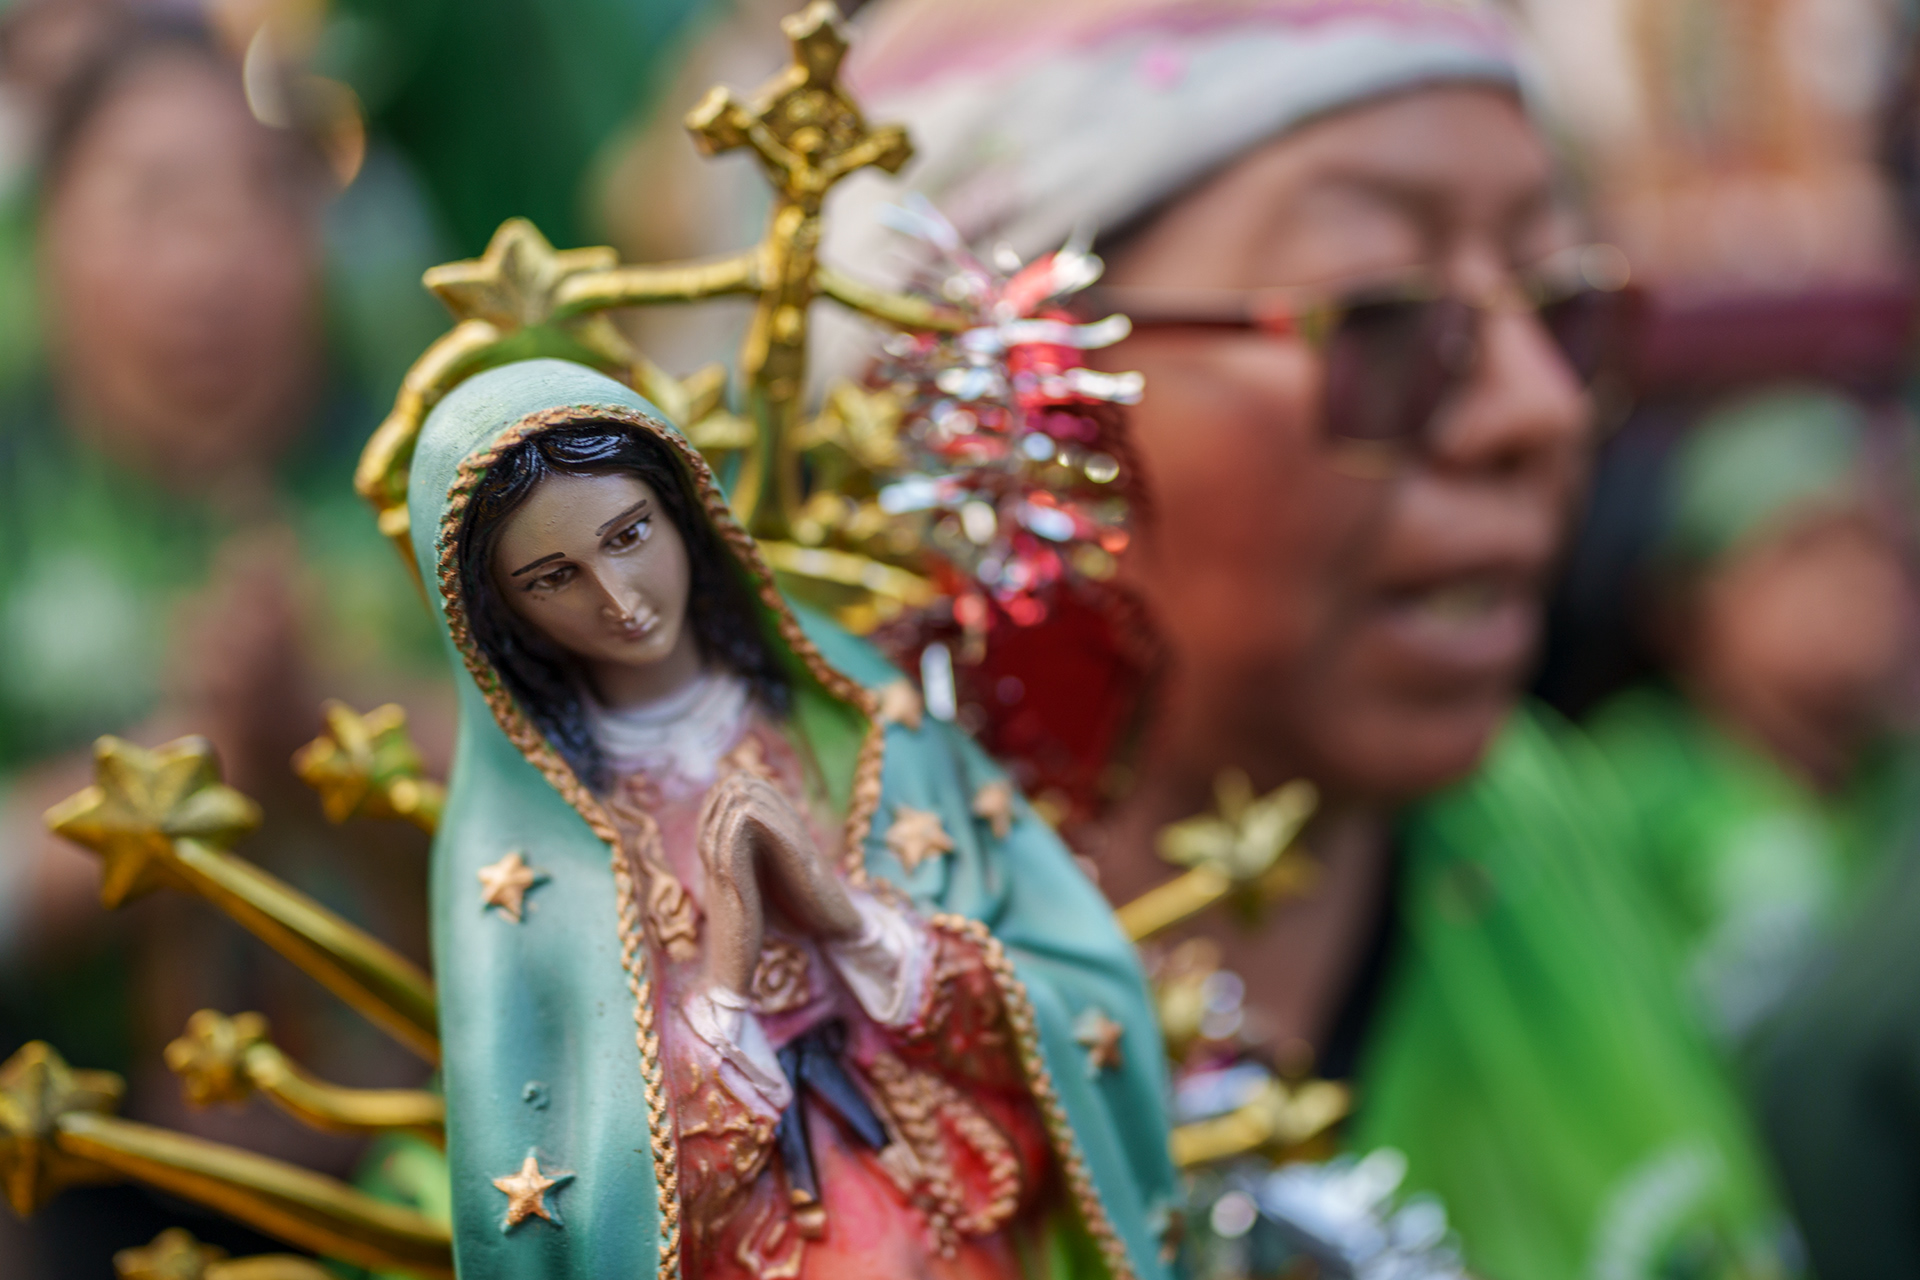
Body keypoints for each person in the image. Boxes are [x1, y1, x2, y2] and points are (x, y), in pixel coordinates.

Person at [810, 2, 1799, 1276]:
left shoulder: (1539, 823)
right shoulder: (763, 993)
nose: (1540, 409)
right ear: (983, 399)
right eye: (1382, 318)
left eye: (1560, 306)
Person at [411, 357, 1177, 1280]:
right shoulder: (529, 848)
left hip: (950, 1186)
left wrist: (847, 918)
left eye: (629, 535)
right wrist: (727, 968)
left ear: (685, 511)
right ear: (497, 612)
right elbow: (585, 1170)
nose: (619, 599)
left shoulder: (862, 718)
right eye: (552, 577)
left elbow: (1064, 974)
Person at [1585, 386, 1920, 1050]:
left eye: (1878, 547)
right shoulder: (1621, 792)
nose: (1857, 580)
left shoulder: (1900, 784)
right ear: (1684, 605)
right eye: (1804, 548)